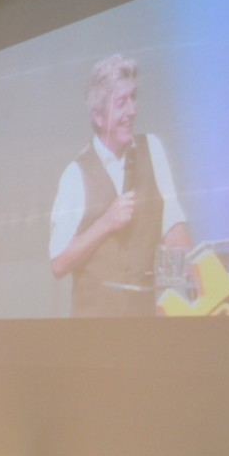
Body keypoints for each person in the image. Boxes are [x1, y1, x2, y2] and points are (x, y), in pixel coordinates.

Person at [49, 53, 192, 316]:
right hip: (93, 333)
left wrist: (197, 282)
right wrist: (106, 223)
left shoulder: (153, 150)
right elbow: (59, 263)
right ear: (98, 116)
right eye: (121, 103)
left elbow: (174, 230)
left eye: (133, 98)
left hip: (143, 328)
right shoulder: (75, 174)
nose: (132, 111)